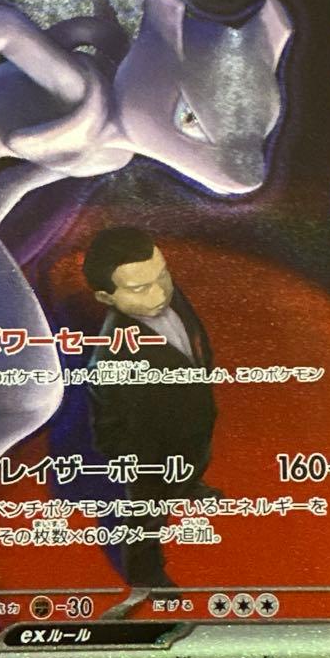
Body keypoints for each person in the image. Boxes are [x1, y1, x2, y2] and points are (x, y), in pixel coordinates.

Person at [83, 227, 220, 590]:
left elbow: (195, 342)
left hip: (191, 424)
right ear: (106, 297)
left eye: (163, 275)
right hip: (149, 452)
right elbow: (111, 426)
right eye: (140, 288)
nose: (160, 294)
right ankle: (145, 574)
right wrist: (138, 465)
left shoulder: (172, 298)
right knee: (147, 513)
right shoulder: (110, 358)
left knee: (193, 462)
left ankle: (189, 485)